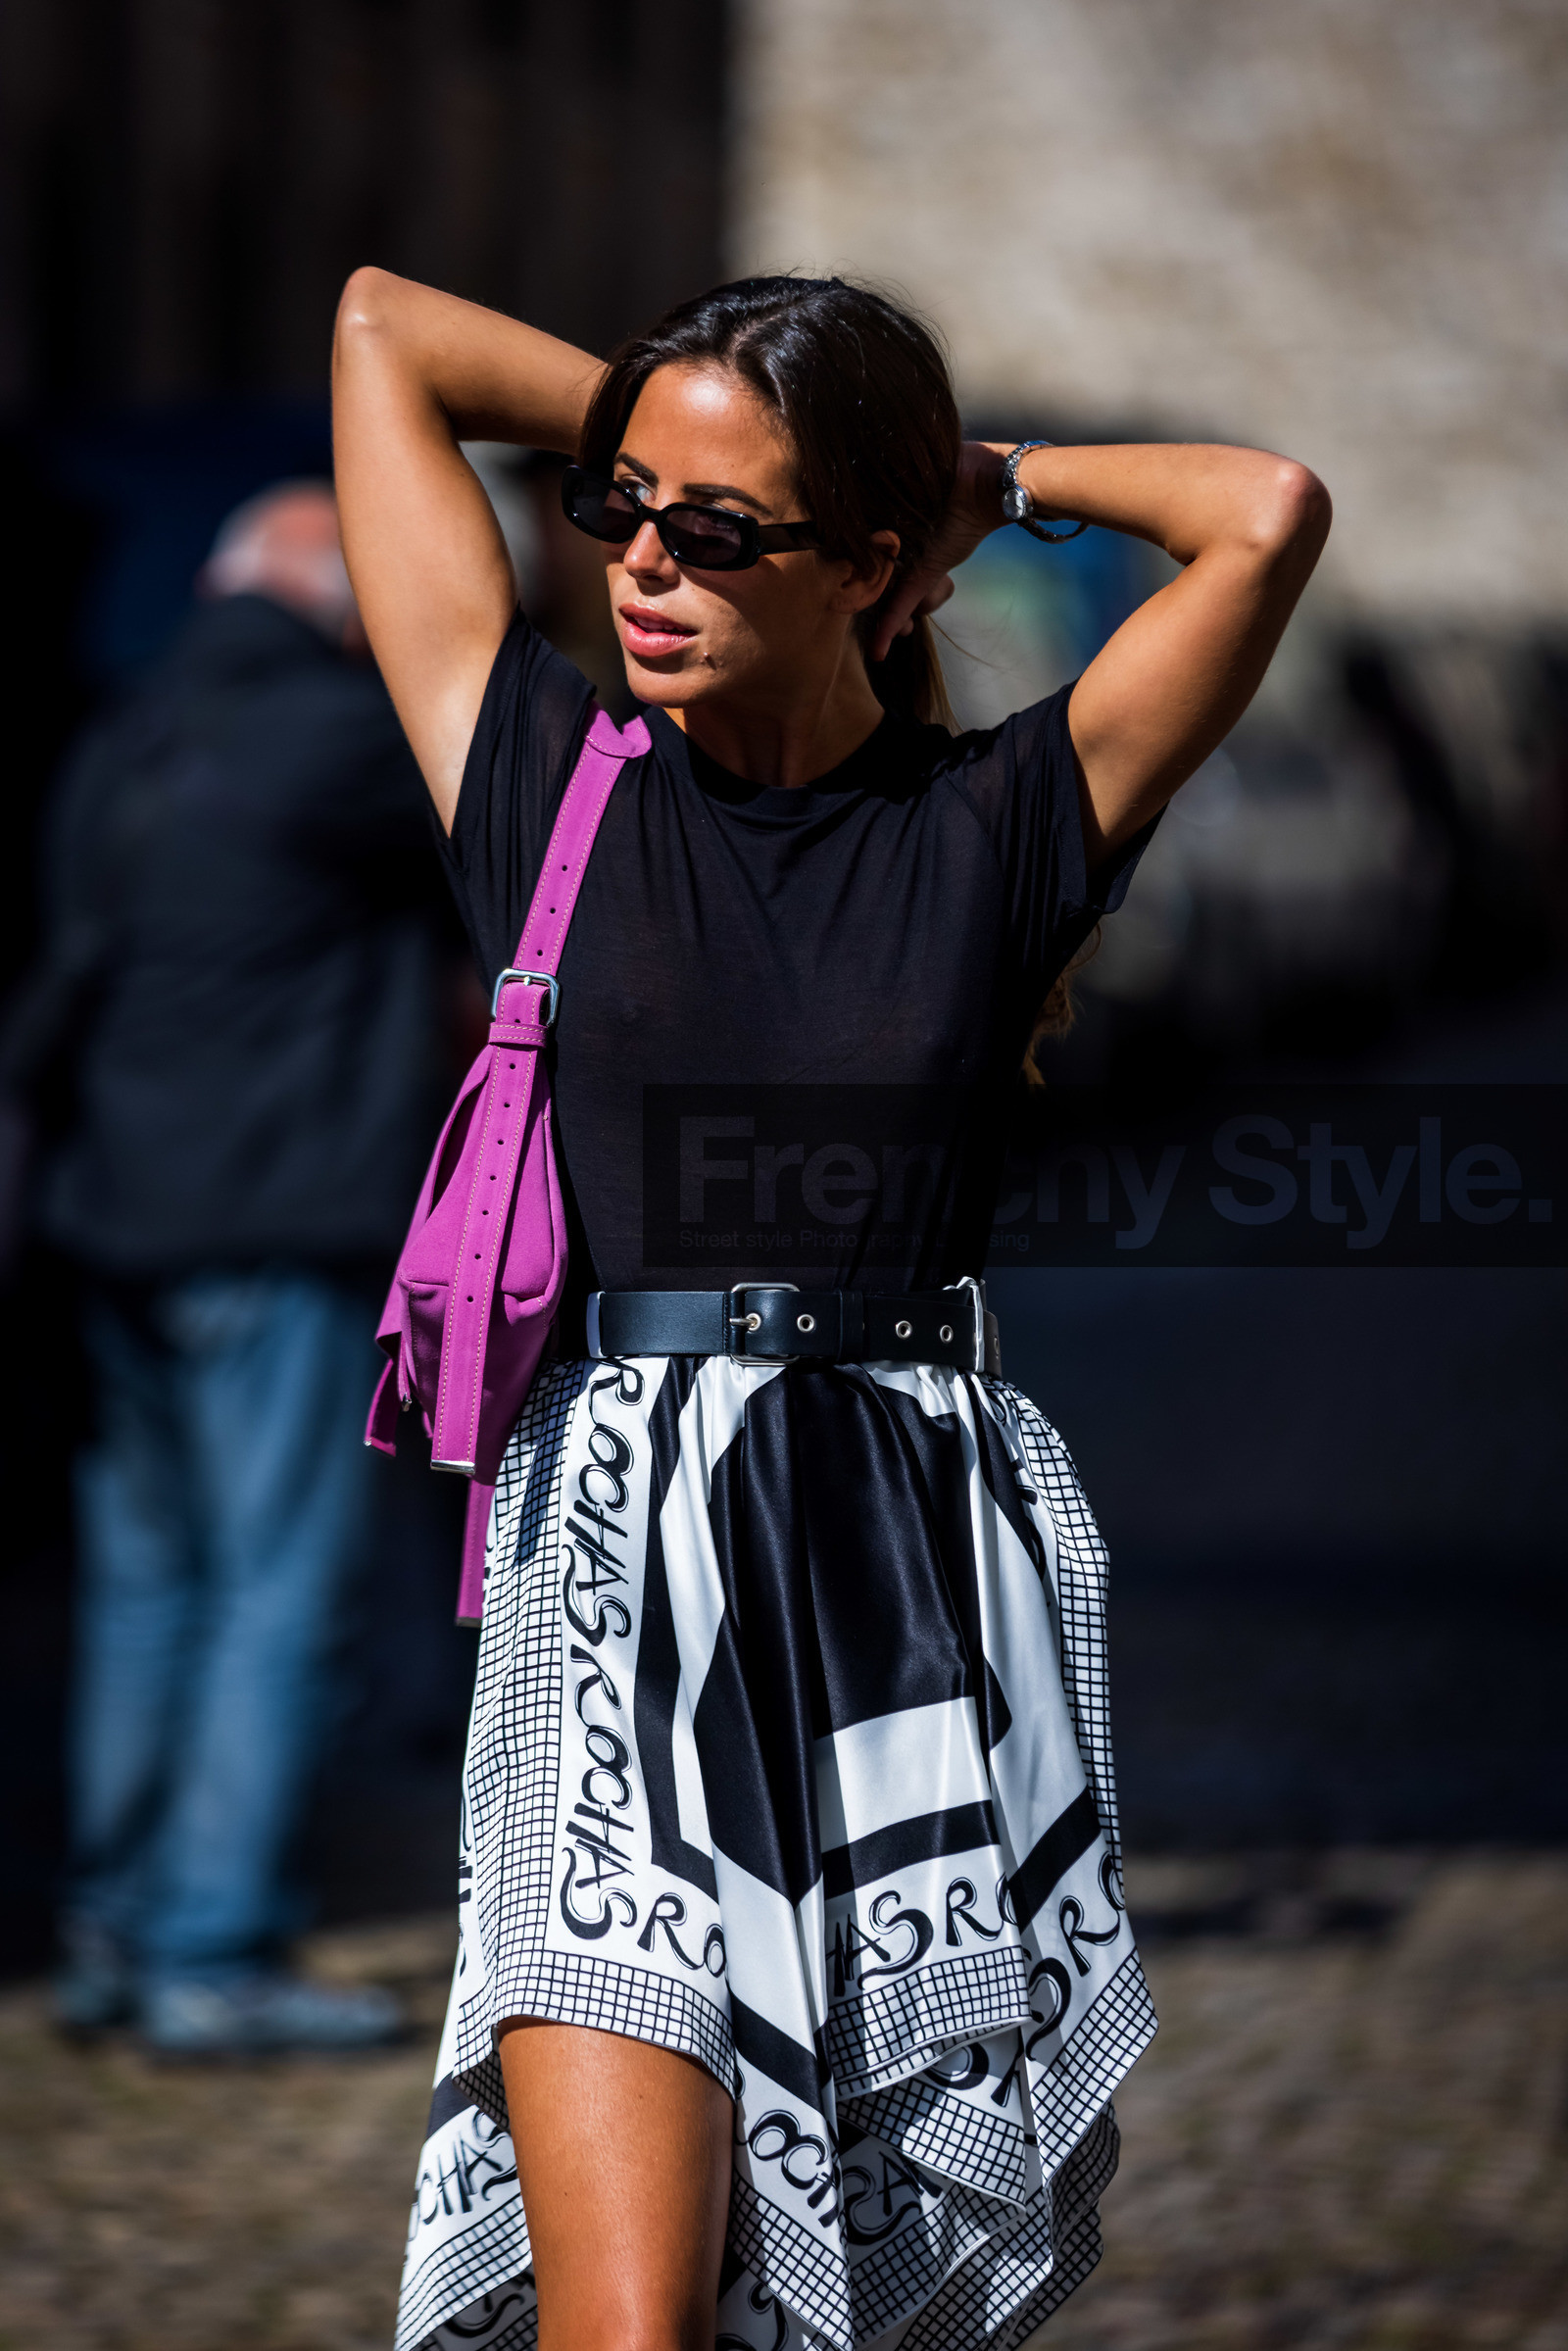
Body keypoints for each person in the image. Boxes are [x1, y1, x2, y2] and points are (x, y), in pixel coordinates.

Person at [333, 269, 1329, 2350]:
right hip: (609, 1573)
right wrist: (683, 417)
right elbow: (378, 335)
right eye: (619, 509)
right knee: (631, 2326)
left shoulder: (1000, 825)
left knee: (858, 2296)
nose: (642, 566)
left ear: (869, 564)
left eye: (718, 530)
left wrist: (980, 479)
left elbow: (1260, 509)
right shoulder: (542, 774)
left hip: (899, 1577)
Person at [40, 482, 447, 2056]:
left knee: (147, 1589)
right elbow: (503, 850)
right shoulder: (339, 738)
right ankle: (212, 1954)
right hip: (270, 1219)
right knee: (274, 1593)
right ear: (337, 593)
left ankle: (114, 1926)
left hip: (113, 1219)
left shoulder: (120, 734)